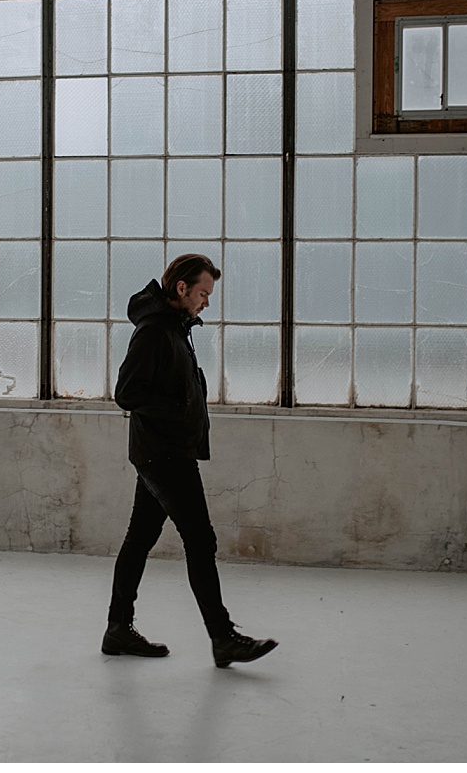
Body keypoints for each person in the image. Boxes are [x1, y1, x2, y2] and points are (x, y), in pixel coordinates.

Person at [102, 253, 278, 668]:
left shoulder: (175, 328)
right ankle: (223, 637)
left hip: (163, 451)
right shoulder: (154, 331)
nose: (206, 302)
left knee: (139, 539)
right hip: (164, 455)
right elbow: (126, 393)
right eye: (203, 293)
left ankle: (117, 629)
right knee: (201, 541)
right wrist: (180, 407)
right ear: (181, 288)